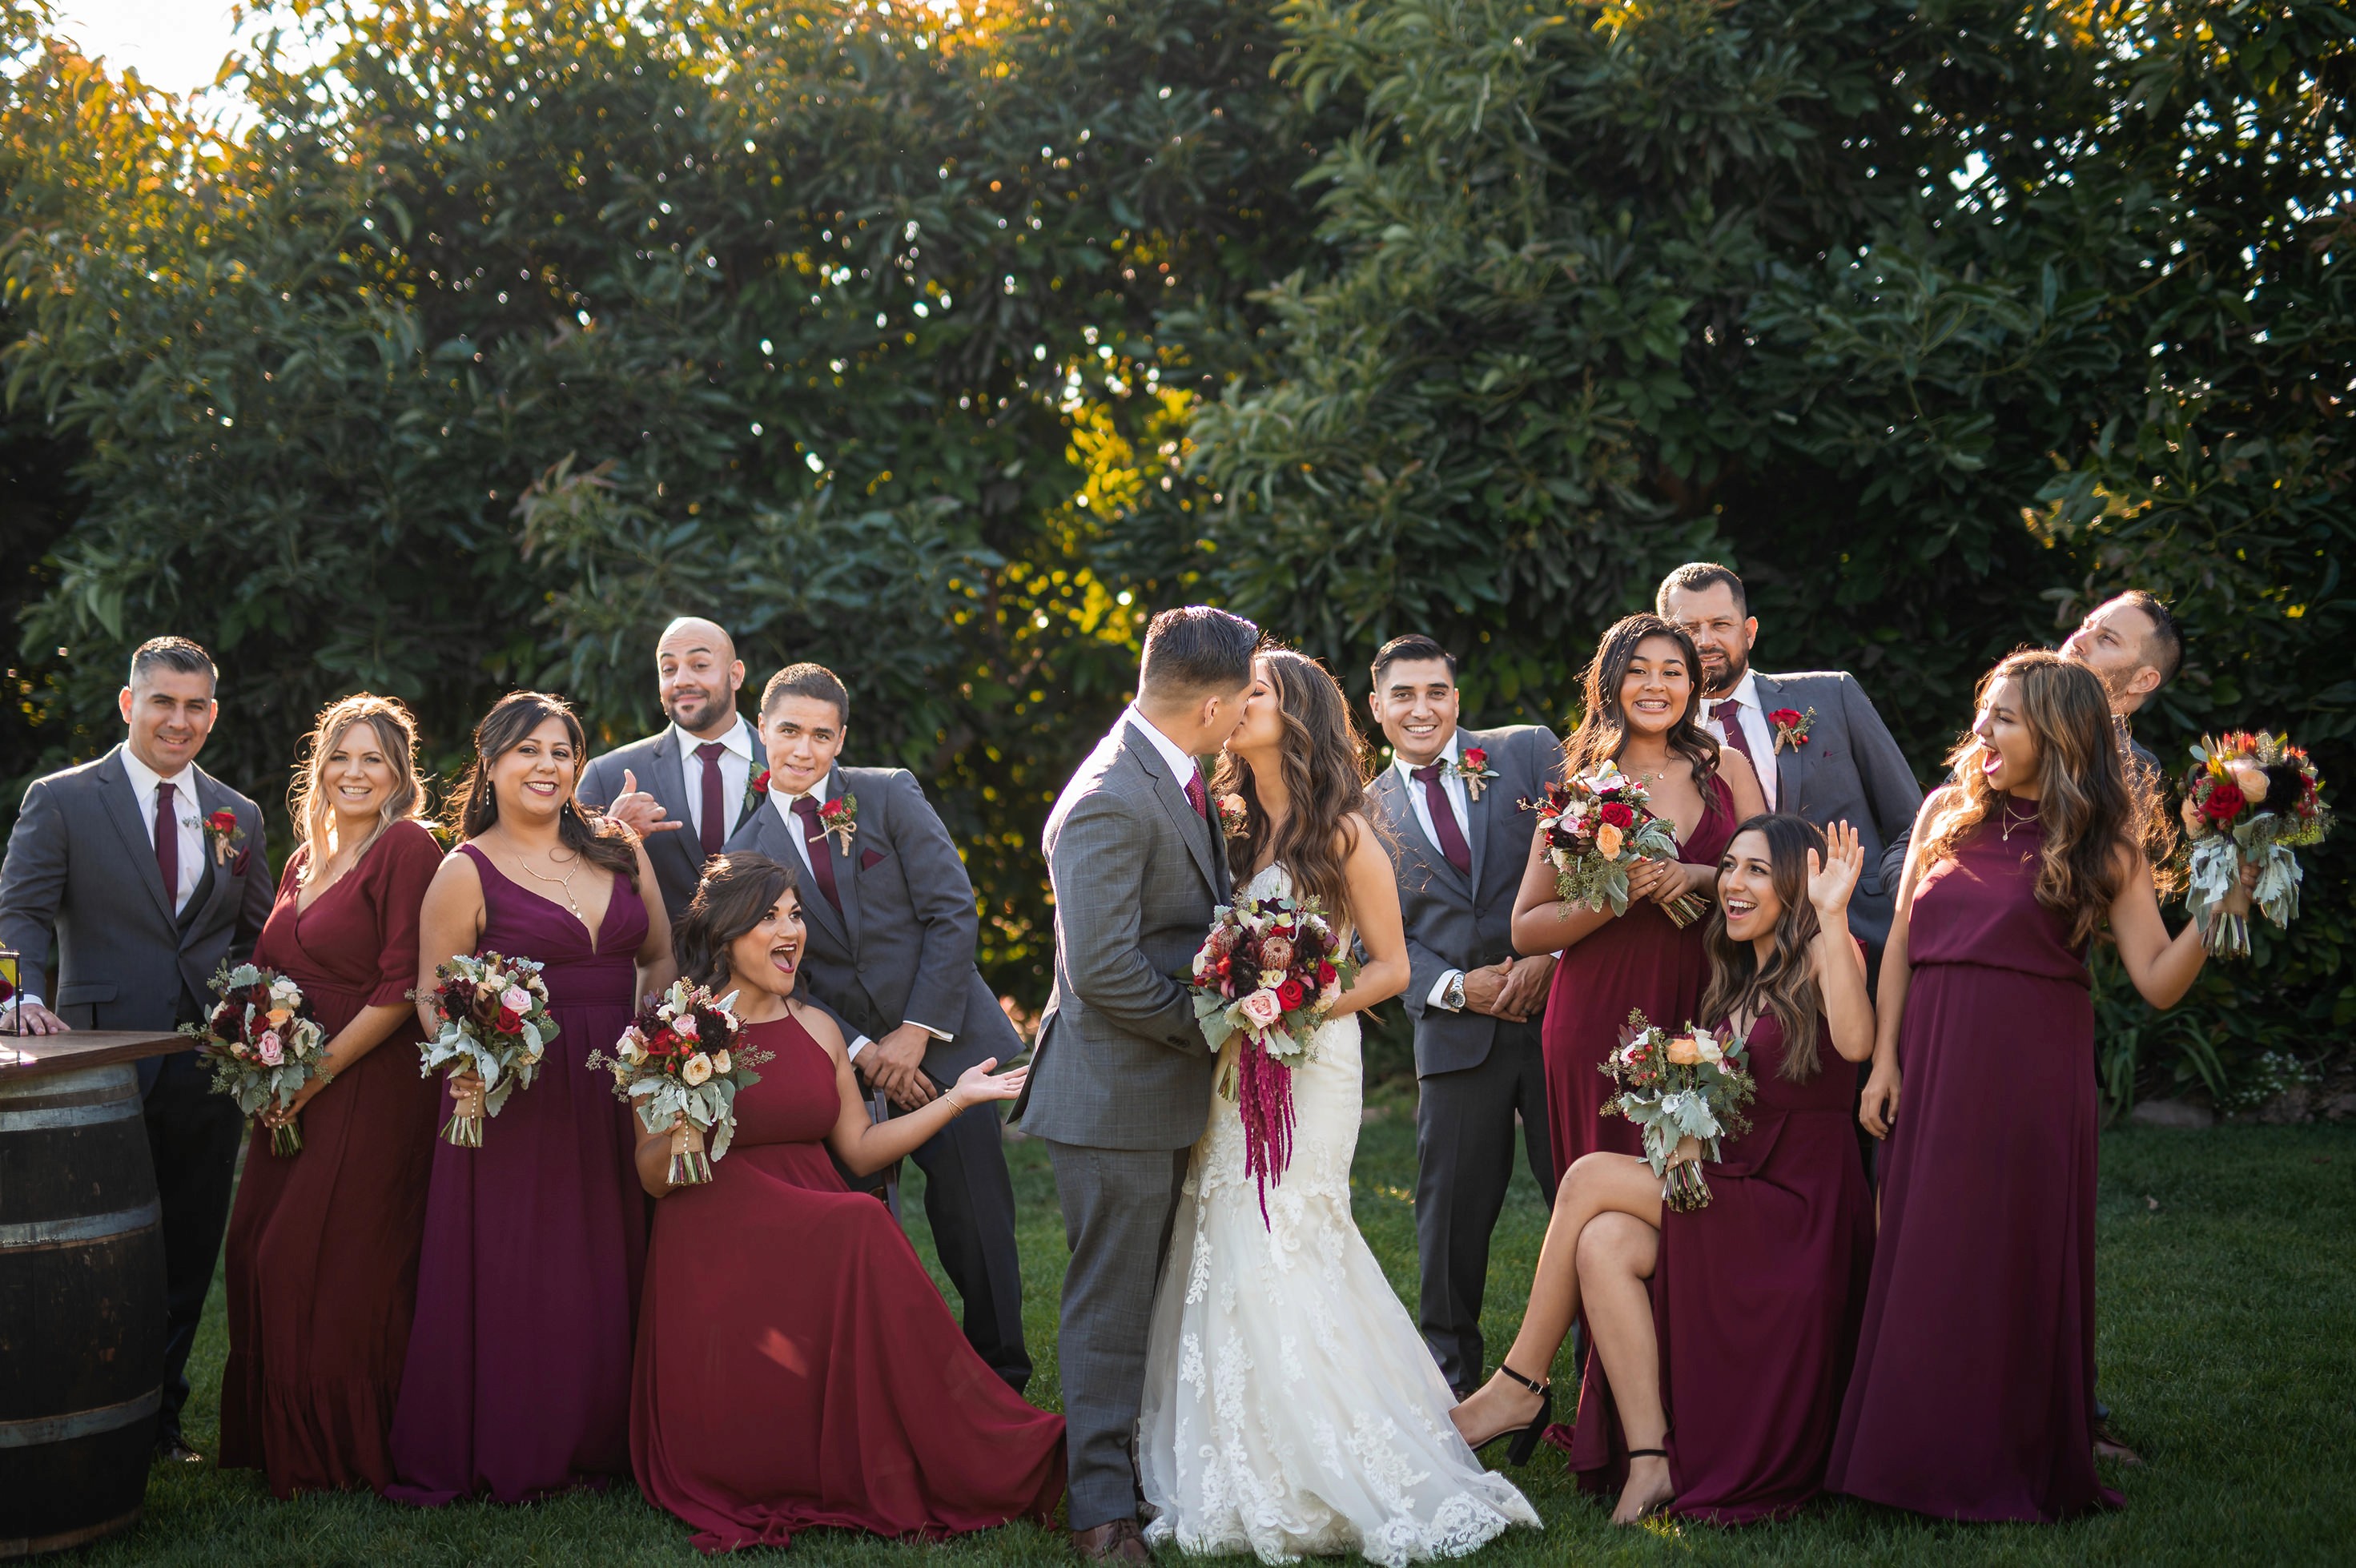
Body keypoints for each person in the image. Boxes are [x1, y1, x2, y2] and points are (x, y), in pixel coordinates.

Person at [1827, 650, 2250, 1522]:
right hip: (1932, 1060)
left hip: (2029, 1078)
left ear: (2056, 736)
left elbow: (2157, 979)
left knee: (2007, 1259)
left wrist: (2217, 908)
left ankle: (2003, 1454)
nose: (1981, 731)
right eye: (1984, 712)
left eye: (2005, 719)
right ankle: (1901, 1457)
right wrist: (1882, 1061)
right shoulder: (1944, 810)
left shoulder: (2105, 841)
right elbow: (1903, 937)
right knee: (1923, 1252)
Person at [1137, 648, 1539, 1565]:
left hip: (1315, 1057)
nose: (1239, 702)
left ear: (1299, 709)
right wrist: (1235, 995)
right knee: (1218, 1223)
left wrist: (1292, 1003)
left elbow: (1391, 970)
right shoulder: (1224, 819)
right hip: (1235, 1059)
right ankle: (1240, 1448)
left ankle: (1338, 1449)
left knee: (1290, 1226)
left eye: (1259, 691)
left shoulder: (1348, 828)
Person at [630, 853, 1063, 1554]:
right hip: (719, 1238)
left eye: (795, 914)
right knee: (862, 1222)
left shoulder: (819, 1026)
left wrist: (957, 1099)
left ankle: (961, 1431)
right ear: (726, 933)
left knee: (858, 1218)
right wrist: (688, 1116)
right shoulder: (675, 1030)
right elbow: (652, 1176)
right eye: (768, 916)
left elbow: (859, 1151)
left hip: (815, 1228)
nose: (790, 929)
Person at [1455, 815, 1876, 1525]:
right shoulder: (1735, 983)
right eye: (1730, 867)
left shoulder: (1828, 957)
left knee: (1588, 1176)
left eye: (1756, 872)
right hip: (1737, 1186)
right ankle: (1651, 1462)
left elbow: (1856, 1040)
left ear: (1797, 887)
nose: (1733, 885)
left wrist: (1833, 917)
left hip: (1800, 1207)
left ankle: (1517, 1385)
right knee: (1603, 1242)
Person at [1011, 605, 1257, 1565]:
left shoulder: (1168, 770)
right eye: (1241, 699)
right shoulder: (1113, 792)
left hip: (1144, 1085)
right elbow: (1104, 969)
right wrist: (1218, 1028)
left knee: (1143, 1292)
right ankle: (1101, 1512)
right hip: (1113, 1092)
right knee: (1110, 1304)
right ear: (1209, 701)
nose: (1244, 715)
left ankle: (1134, 1472)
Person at [386, 691, 675, 1505]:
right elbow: (431, 991)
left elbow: (656, 954)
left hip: (618, 1078)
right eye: (527, 750)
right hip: (515, 1092)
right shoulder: (462, 867)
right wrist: (472, 1059)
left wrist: (651, 1043)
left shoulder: (619, 847)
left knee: (611, 1251)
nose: (546, 765)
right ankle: (522, 1438)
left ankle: (609, 1435)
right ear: (491, 761)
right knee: (525, 1264)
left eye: (561, 751)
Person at [0, 635, 273, 1465]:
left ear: (212, 714)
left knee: (188, 1245)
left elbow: (259, 930)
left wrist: (269, 1010)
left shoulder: (240, 813)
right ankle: (75, 1411)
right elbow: (17, 913)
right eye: (163, 702)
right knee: (90, 1245)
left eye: (195, 706)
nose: (178, 720)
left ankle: (156, 1419)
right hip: (97, 1060)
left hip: (203, 1059)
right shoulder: (63, 798)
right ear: (129, 704)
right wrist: (19, 997)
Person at [722, 662, 1031, 1389]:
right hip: (843, 1056)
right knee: (858, 1219)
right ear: (761, 729)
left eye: (821, 735)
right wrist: (860, 1050)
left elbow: (952, 911)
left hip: (948, 1042)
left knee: (973, 1216)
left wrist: (918, 1031)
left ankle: (1001, 1372)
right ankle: (883, 1373)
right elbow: (782, 966)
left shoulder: (887, 794)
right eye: (789, 731)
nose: (803, 749)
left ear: (842, 738)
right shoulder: (747, 844)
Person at [219, 695, 444, 1496]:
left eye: (373, 758)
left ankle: (345, 1448)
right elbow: (268, 972)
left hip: (365, 1084)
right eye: (341, 756)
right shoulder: (301, 859)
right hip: (290, 1083)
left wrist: (311, 1077)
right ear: (320, 766)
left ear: (398, 774)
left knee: (328, 1262)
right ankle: (271, 1441)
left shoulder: (408, 847)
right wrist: (259, 1055)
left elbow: (397, 988)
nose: (355, 772)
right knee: (257, 1249)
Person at [1360, 633, 1560, 1398]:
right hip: (1454, 1034)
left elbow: (1594, 854)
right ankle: (1452, 1383)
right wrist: (1452, 988)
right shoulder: (1361, 812)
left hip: (1556, 1020)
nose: (1422, 708)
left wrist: (1555, 957)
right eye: (1403, 695)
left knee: (1579, 1189)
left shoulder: (1529, 754)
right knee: (1450, 1224)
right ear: (1376, 708)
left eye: (1436, 692)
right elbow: (1366, 934)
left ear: (1456, 696)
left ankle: (1608, 1368)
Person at [1513, 614, 1766, 1184]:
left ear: (1692, 687)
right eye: (1638, 671)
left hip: (1711, 993)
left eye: (1672, 672)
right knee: (1605, 1189)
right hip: (1600, 1011)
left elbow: (1778, 882)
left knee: (1700, 1186)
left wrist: (1700, 876)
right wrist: (1613, 896)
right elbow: (1526, 927)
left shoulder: (1727, 769)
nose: (1656, 686)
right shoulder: (1582, 789)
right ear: (1610, 686)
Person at [1657, 562, 1922, 964]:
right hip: (1734, 958)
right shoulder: (1659, 742)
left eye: (1721, 624)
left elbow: (1914, 827)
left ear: (1749, 631)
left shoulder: (1832, 696)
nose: (1705, 640)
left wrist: (1904, 914)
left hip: (1863, 932)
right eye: (1688, 629)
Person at [577, 617, 764, 923]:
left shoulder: (790, 765)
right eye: (669, 669)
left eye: (699, 665)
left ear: (735, 675)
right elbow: (570, 888)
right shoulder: (606, 775)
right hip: (660, 966)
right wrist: (614, 832)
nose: (681, 681)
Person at [2060, 588, 2184, 778]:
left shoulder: (2126, 768)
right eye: (2086, 627)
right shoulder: (2011, 704)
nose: (2077, 640)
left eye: (2108, 639)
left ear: (2143, 681)